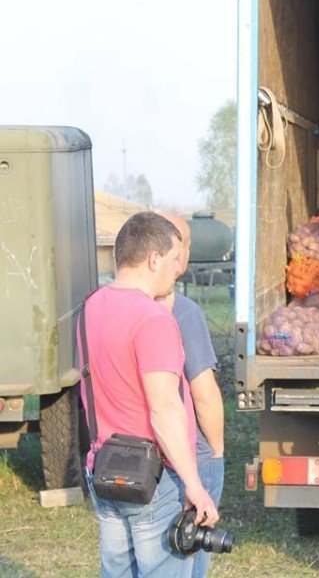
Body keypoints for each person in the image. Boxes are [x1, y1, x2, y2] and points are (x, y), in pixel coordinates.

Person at [80, 211, 219, 577]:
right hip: (152, 479)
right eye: (174, 258)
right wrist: (195, 485)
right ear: (153, 258)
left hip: (105, 468)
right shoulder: (154, 319)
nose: (177, 269)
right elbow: (164, 409)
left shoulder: (90, 307)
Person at [157, 212, 225, 578]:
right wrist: (215, 453)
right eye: (178, 243)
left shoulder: (108, 306)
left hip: (136, 459)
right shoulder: (183, 313)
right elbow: (204, 392)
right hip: (189, 456)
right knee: (189, 557)